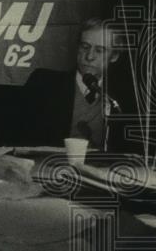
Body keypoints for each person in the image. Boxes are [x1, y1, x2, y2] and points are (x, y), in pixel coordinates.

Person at [16, 18, 133, 152]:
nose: (89, 56)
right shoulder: (44, 84)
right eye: (85, 47)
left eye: (99, 50)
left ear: (114, 56)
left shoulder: (122, 97)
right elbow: (22, 140)